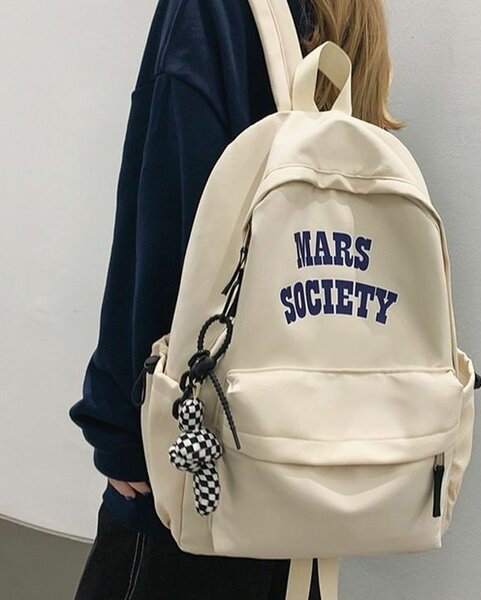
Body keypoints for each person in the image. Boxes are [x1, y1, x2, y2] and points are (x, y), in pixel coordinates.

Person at [68, 1, 403, 598]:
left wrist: (119, 428)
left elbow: (167, 230)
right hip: (307, 466)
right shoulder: (349, 11)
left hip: (199, 462)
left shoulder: (207, 12)